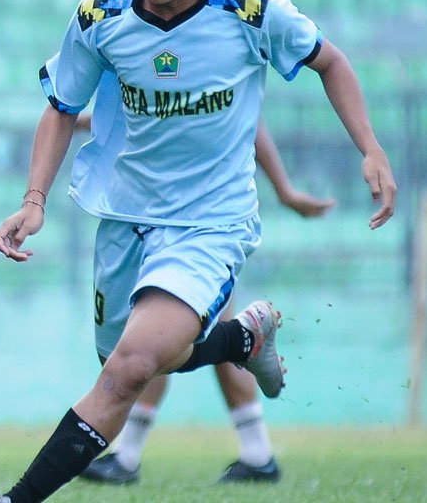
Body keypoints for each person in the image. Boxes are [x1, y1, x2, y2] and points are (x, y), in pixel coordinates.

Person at [0, 0, 395, 503]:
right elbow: (62, 108)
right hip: (124, 218)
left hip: (210, 224)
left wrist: (370, 149)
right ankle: (242, 338)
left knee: (128, 371)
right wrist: (33, 202)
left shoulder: (253, 11)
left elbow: (331, 61)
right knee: (122, 362)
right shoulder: (101, 13)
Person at [74, 115, 334, 484]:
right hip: (161, 220)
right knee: (203, 335)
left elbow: (249, 119)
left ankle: (129, 456)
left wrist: (285, 190)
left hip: (199, 227)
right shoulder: (164, 71)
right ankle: (256, 451)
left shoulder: (203, 69)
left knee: (153, 332)